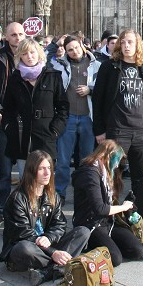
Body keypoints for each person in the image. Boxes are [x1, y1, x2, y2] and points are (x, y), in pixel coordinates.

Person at [0, 150, 91, 286]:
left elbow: (60, 225)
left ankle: (48, 272)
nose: (47, 173)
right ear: (31, 171)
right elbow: (22, 233)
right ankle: (62, 265)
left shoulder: (53, 195)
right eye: (41, 169)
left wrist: (49, 237)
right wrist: (53, 252)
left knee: (83, 231)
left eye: (49, 168)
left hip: (48, 244)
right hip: (26, 247)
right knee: (24, 248)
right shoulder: (17, 198)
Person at [92, 29, 143, 182]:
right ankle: (111, 206)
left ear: (138, 45)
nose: (126, 45)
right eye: (123, 42)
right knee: (111, 175)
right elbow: (97, 99)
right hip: (117, 129)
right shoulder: (109, 67)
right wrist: (99, 130)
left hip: (140, 131)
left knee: (140, 176)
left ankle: (137, 205)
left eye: (130, 42)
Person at [1, 38, 68, 175]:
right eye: (25, 53)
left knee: (45, 180)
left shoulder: (52, 76)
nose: (29, 56)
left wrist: (55, 130)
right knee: (25, 179)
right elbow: (8, 107)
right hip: (22, 137)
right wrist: (9, 126)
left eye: (32, 52)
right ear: (20, 56)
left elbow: (63, 107)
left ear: (39, 53)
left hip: (46, 135)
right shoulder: (15, 78)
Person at [71, 140, 143, 266]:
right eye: (116, 160)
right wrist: (123, 207)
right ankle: (90, 247)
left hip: (107, 222)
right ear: (108, 156)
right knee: (115, 259)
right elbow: (100, 209)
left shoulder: (104, 172)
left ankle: (109, 245)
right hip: (91, 224)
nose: (116, 166)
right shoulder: (90, 173)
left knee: (136, 250)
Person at [0, 22, 26, 226]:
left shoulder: (31, 57)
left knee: (28, 169)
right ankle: (1, 209)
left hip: (27, 120)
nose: (18, 38)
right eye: (14, 35)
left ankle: (26, 210)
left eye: (21, 34)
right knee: (5, 169)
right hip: (5, 120)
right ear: (6, 38)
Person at [50, 35, 100, 198]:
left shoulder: (96, 65)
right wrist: (53, 45)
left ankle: (84, 193)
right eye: (70, 50)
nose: (74, 52)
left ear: (82, 46)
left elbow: (102, 88)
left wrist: (90, 89)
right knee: (63, 160)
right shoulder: (59, 65)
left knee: (86, 160)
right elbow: (43, 59)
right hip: (68, 117)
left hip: (88, 117)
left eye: (76, 48)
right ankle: (60, 193)